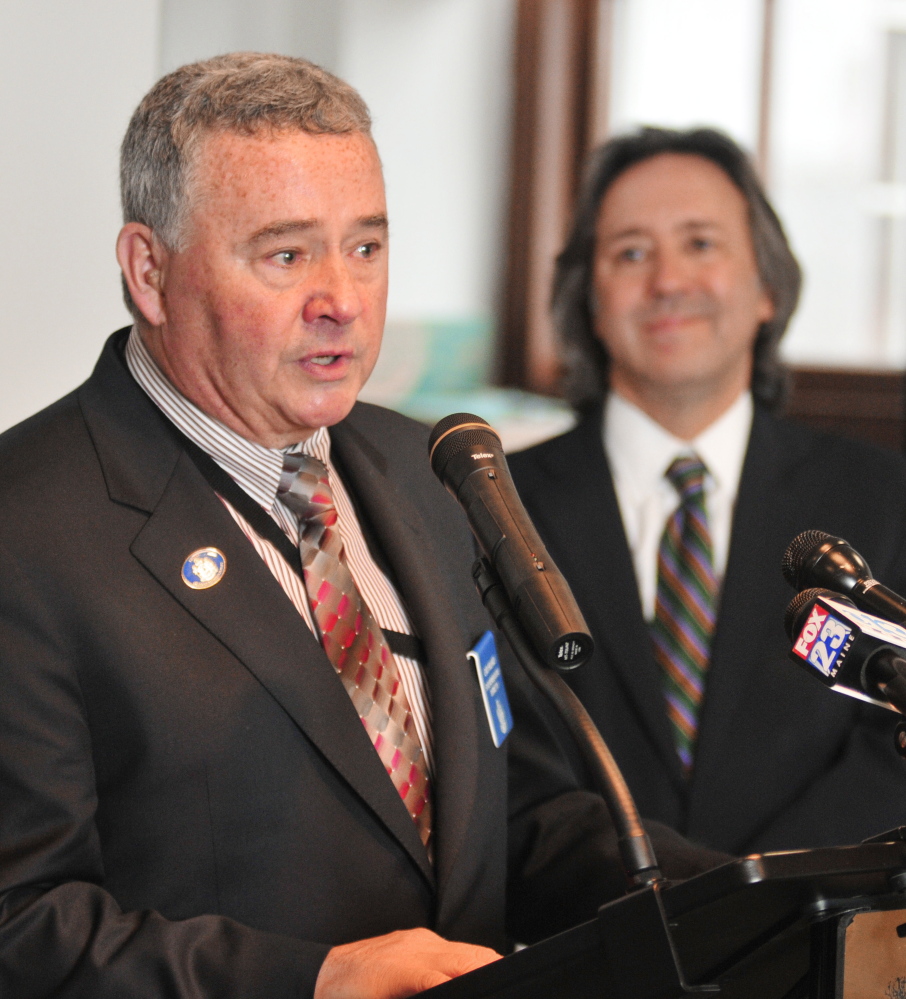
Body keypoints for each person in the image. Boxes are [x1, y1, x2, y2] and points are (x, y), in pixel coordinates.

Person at [0, 59, 726, 999]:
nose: (341, 298)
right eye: (287, 254)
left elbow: (516, 819)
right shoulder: (28, 528)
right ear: (150, 270)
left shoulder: (433, 470)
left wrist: (747, 897)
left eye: (367, 248)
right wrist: (311, 981)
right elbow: (23, 921)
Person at [509, 127, 906, 857]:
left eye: (701, 243)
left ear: (767, 287)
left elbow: (894, 748)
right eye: (631, 252)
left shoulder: (883, 500)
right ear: (590, 302)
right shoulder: (500, 513)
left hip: (825, 941)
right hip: (588, 949)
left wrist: (766, 910)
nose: (667, 282)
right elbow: (511, 770)